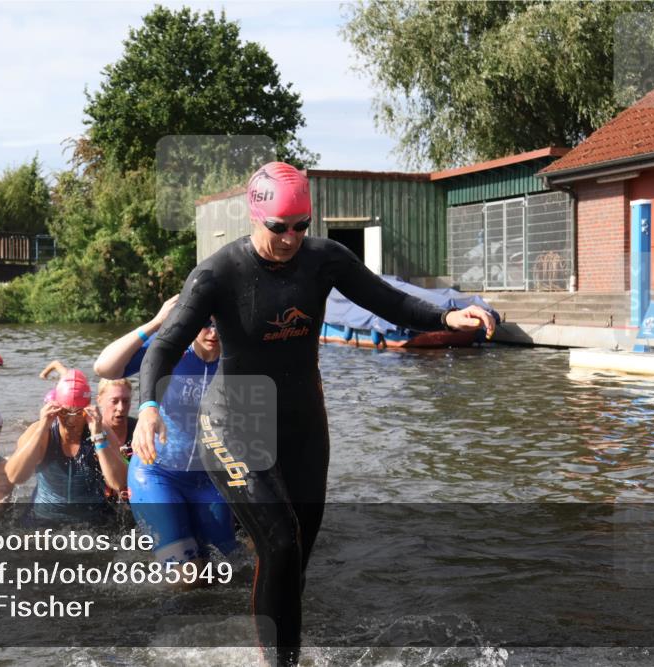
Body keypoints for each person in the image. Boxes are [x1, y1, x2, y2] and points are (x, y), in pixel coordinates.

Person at [134, 161, 496, 665]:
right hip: (234, 423)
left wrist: (447, 316)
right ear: (254, 217)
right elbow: (165, 345)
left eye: (301, 226)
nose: (290, 238)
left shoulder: (324, 260)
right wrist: (149, 406)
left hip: (303, 423)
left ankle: (278, 648)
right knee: (279, 544)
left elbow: (388, 301)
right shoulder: (218, 273)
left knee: (296, 558)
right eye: (279, 227)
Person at [95, 295, 234, 566]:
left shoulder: (235, 358)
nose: (213, 333)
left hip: (210, 479)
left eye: (220, 325)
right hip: (157, 473)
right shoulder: (170, 350)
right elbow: (104, 367)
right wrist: (157, 322)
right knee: (185, 575)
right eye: (204, 324)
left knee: (227, 569)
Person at [5, 369, 127, 524]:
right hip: (43, 519)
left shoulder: (102, 432)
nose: (71, 421)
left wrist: (97, 437)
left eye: (78, 413)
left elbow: (119, 483)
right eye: (64, 413)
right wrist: (42, 429)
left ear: (87, 410)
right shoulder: (41, 431)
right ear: (55, 408)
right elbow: (14, 476)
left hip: (92, 523)